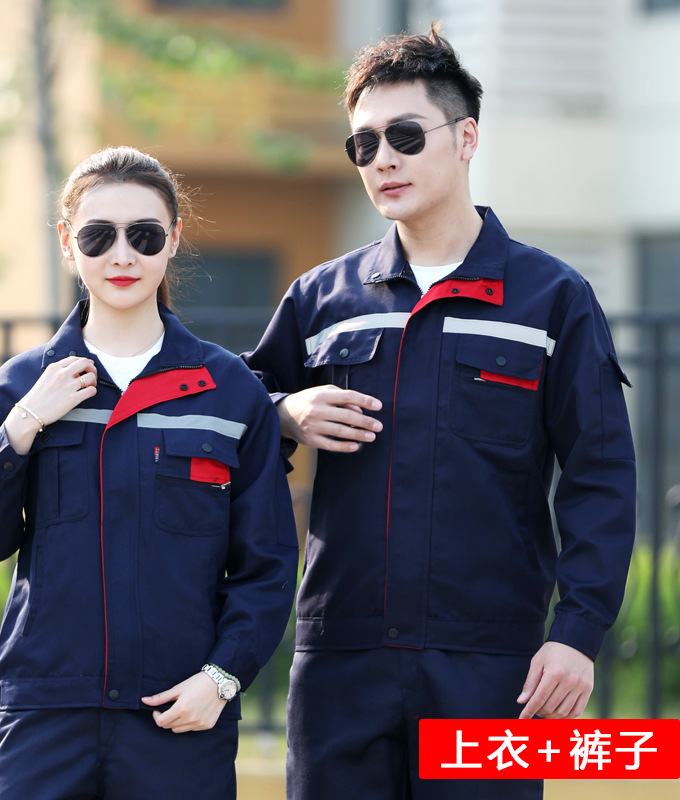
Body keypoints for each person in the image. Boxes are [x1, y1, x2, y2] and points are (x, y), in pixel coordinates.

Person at [243, 25, 636, 800]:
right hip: (342, 661)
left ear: (466, 139)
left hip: (492, 666)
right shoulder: (321, 300)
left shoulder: (552, 300)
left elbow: (601, 477)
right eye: (363, 145)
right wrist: (285, 409)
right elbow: (234, 416)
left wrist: (577, 634)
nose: (382, 159)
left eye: (405, 136)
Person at [0, 146, 298, 800]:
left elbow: (266, 564)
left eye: (144, 235)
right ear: (67, 242)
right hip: (46, 716)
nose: (122, 256)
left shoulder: (229, 392)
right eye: (99, 236)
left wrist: (222, 678)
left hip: (179, 717)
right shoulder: (19, 386)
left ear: (173, 239)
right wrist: (22, 427)